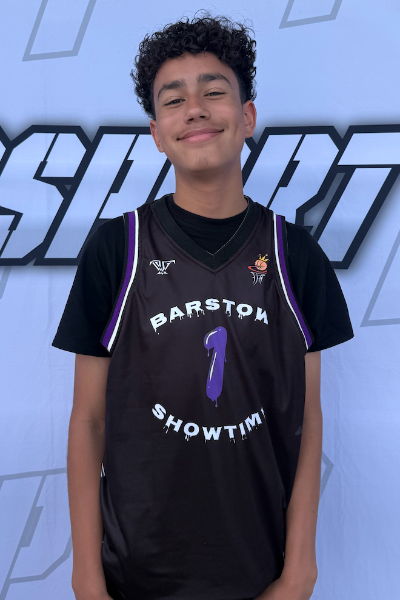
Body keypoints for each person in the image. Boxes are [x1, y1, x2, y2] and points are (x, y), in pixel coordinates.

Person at [53, 13, 354, 600]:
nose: (194, 109)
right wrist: (86, 576)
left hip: (258, 572)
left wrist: (301, 568)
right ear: (156, 132)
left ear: (247, 117)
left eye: (214, 92)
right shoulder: (118, 247)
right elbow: (89, 420)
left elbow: (308, 418)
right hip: (135, 574)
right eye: (174, 100)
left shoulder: (294, 254)